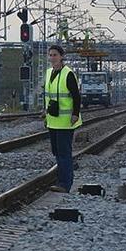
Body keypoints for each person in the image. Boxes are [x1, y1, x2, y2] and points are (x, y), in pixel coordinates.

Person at [44, 44, 82, 192]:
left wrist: (75, 114)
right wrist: (45, 113)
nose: (52, 58)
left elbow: (76, 96)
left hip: (66, 122)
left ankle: (65, 184)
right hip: (53, 120)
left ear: (61, 57)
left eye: (55, 55)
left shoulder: (68, 74)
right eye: (50, 55)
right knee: (57, 152)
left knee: (64, 153)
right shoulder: (48, 73)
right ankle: (62, 180)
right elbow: (47, 96)